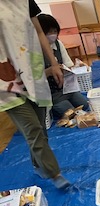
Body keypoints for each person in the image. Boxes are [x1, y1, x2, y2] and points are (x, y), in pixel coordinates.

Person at [0, 0, 70, 189]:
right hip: (5, 79)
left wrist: (54, 63)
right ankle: (55, 174)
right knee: (32, 129)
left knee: (40, 128)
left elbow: (39, 32)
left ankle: (38, 164)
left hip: (32, 70)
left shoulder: (25, 2)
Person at [37, 14, 90, 119]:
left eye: (54, 31)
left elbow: (68, 65)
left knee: (84, 105)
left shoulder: (58, 44)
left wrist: (67, 69)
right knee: (70, 113)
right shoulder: (34, 51)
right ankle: (53, 109)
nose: (53, 35)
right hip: (50, 93)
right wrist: (49, 71)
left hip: (66, 88)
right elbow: (34, 78)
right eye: (49, 32)